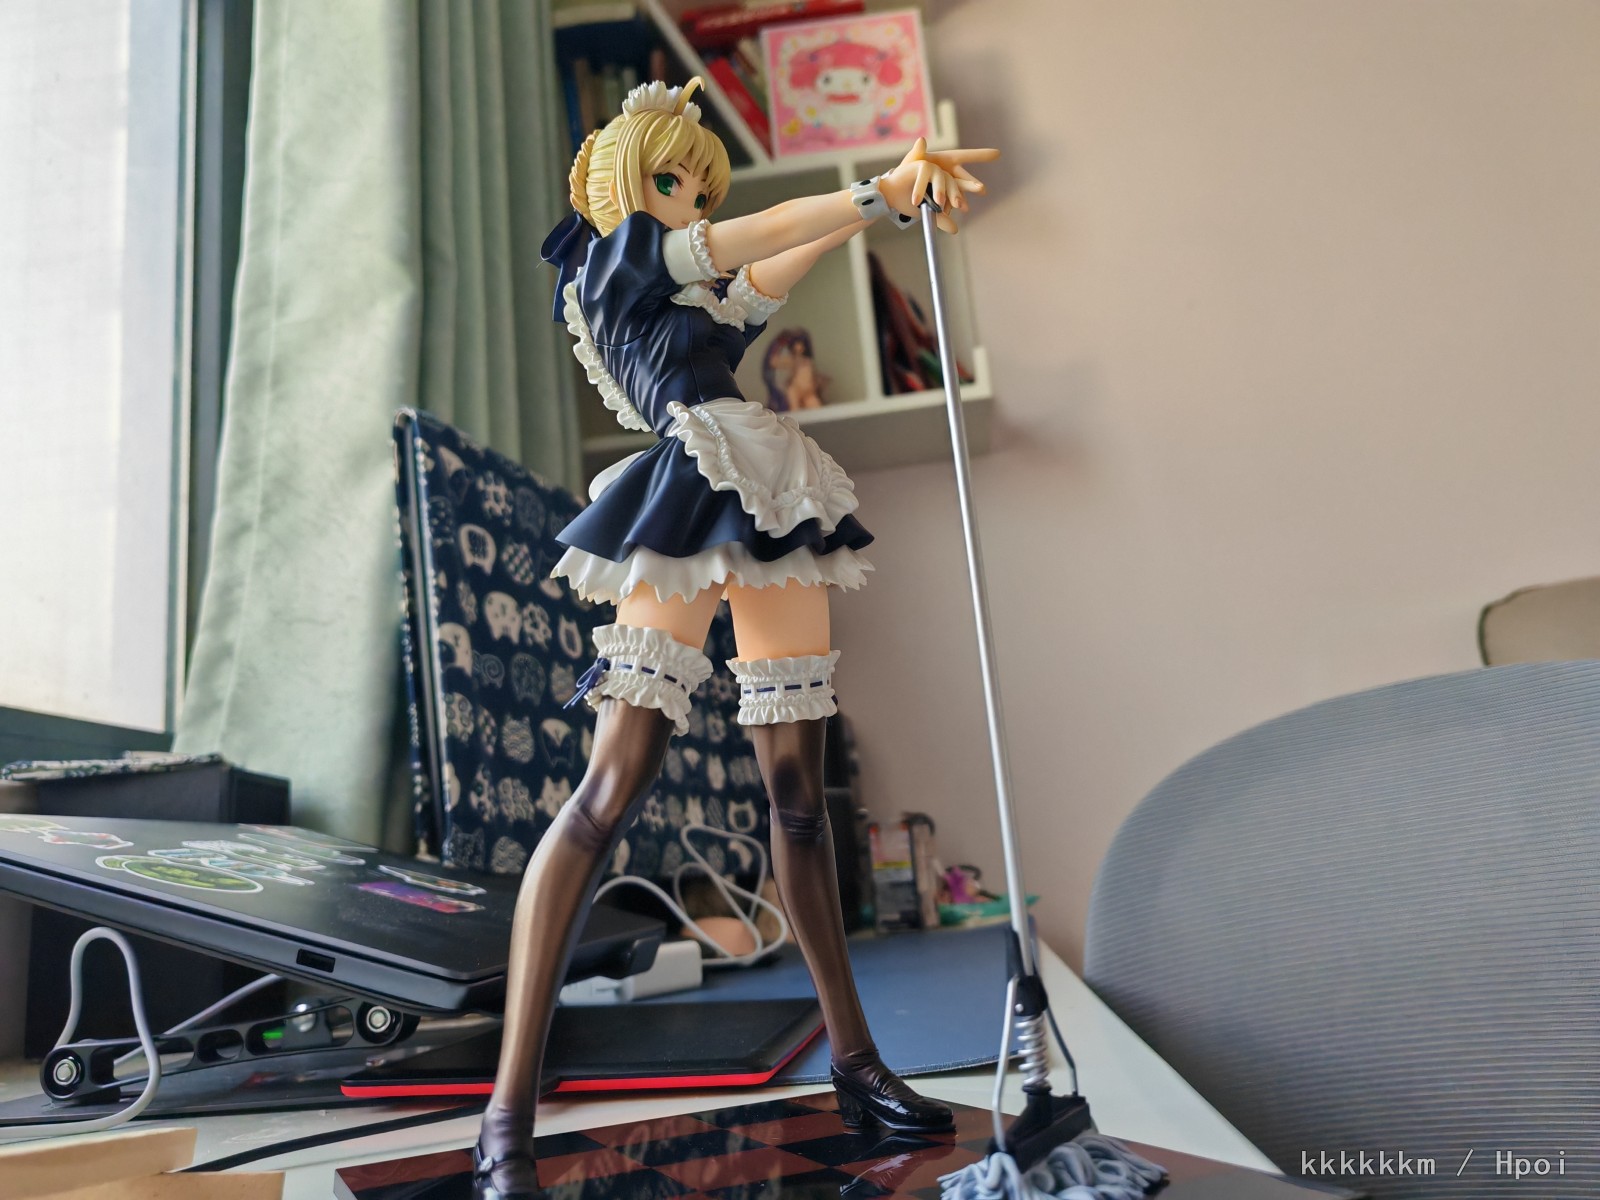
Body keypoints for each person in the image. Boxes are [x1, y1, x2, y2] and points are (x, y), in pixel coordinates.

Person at [472, 77, 997, 1199]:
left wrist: (889, 204)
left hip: (759, 493)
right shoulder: (619, 260)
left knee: (800, 797)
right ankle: (506, 1112)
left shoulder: (688, 292)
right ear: (632, 184)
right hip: (686, 488)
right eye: (676, 182)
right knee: (609, 790)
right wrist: (872, 191)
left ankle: (857, 1067)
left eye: (700, 188)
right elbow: (753, 233)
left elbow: (767, 269)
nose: (692, 202)